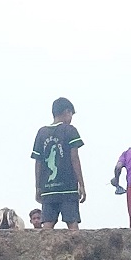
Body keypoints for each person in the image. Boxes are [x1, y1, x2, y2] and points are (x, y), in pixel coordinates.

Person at [29, 97, 85, 229]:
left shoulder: (41, 133)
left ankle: (44, 250)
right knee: (72, 222)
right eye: (71, 114)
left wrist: (38, 187)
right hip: (68, 187)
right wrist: (81, 184)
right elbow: (74, 158)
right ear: (67, 112)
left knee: (47, 224)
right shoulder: (70, 130)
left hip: (48, 188)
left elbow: (38, 162)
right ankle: (76, 249)